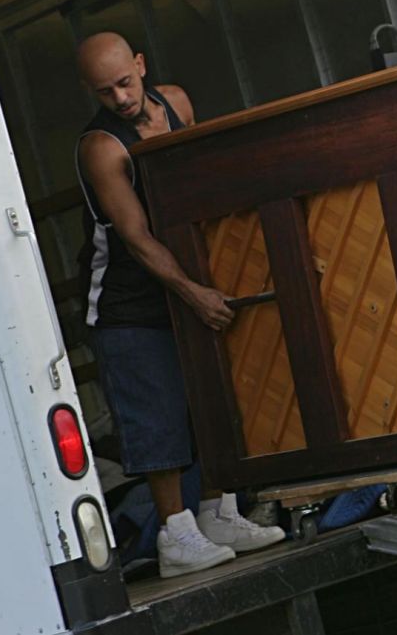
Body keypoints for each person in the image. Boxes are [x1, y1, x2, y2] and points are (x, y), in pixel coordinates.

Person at [75, 32, 284, 578]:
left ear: (141, 66)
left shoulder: (177, 102)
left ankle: (219, 513)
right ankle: (175, 535)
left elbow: (201, 186)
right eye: (105, 92)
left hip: (188, 278)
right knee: (158, 415)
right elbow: (137, 238)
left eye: (125, 83)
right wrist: (193, 293)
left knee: (212, 398)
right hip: (128, 303)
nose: (120, 99)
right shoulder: (102, 146)